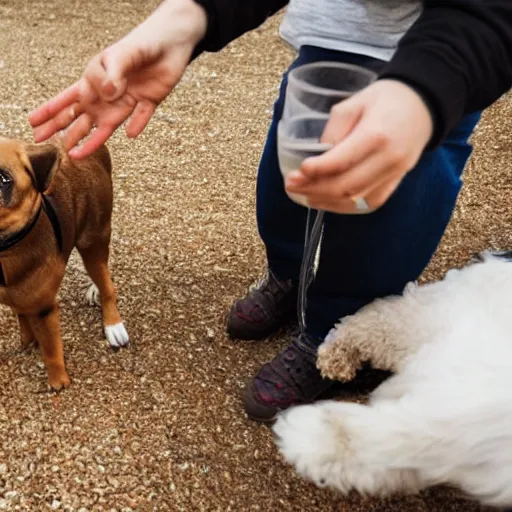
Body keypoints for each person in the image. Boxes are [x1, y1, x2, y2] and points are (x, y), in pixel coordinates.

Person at [29, 0, 512, 423]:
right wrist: (191, 16)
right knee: (283, 192)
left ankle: (334, 336)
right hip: (328, 42)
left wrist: (428, 89)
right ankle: (287, 276)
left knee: (385, 225)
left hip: (445, 57)